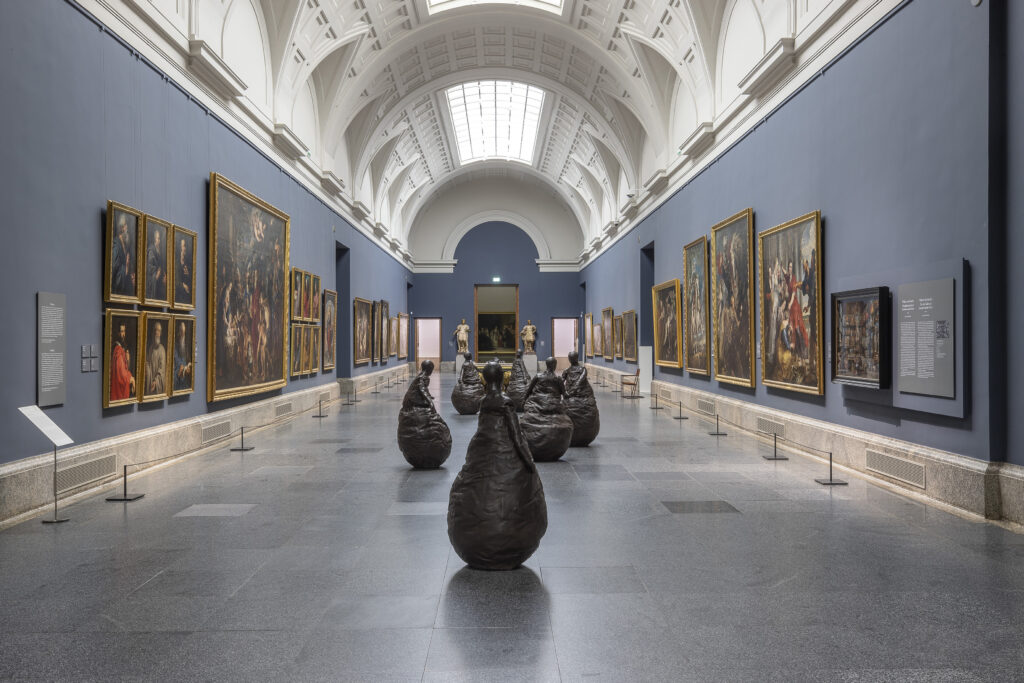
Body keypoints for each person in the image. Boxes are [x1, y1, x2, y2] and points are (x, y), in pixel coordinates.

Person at [111, 213, 136, 296]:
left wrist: (131, 273)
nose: (127, 228)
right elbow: (114, 268)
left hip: (125, 283)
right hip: (118, 287)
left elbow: (129, 263)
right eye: (125, 225)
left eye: (127, 225)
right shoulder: (116, 244)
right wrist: (126, 268)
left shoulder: (125, 244)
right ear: (121, 227)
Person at [110, 321, 136, 401]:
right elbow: (121, 374)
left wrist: (127, 360)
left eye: (124, 331)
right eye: (121, 332)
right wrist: (131, 378)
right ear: (118, 333)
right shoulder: (118, 350)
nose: (123, 334)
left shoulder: (121, 349)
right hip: (118, 389)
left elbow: (124, 368)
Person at [146, 321, 166, 395]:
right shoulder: (151, 348)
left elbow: (162, 369)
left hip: (157, 384)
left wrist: (155, 381)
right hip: (150, 381)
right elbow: (148, 363)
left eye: (158, 331)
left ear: (160, 333)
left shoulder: (162, 349)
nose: (156, 333)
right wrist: (146, 367)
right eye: (155, 330)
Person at [146, 227, 166, 301]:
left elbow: (161, 264)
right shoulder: (151, 250)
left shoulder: (159, 250)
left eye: (159, 239)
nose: (159, 241)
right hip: (152, 279)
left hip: (159, 278)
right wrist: (157, 272)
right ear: (155, 239)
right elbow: (149, 267)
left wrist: (163, 273)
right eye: (158, 239)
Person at [173, 320, 192, 391]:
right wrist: (180, 366)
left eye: (183, 332)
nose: (182, 334)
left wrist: (189, 366)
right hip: (177, 372)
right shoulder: (175, 344)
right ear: (178, 332)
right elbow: (175, 359)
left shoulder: (187, 345)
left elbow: (189, 360)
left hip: (185, 377)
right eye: (181, 331)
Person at [175, 235, 191, 305]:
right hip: (178, 297)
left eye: (185, 246)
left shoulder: (188, 263)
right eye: (183, 246)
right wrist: (184, 286)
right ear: (180, 248)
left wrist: (188, 275)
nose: (185, 248)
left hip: (186, 298)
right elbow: (176, 281)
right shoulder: (176, 263)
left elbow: (190, 282)